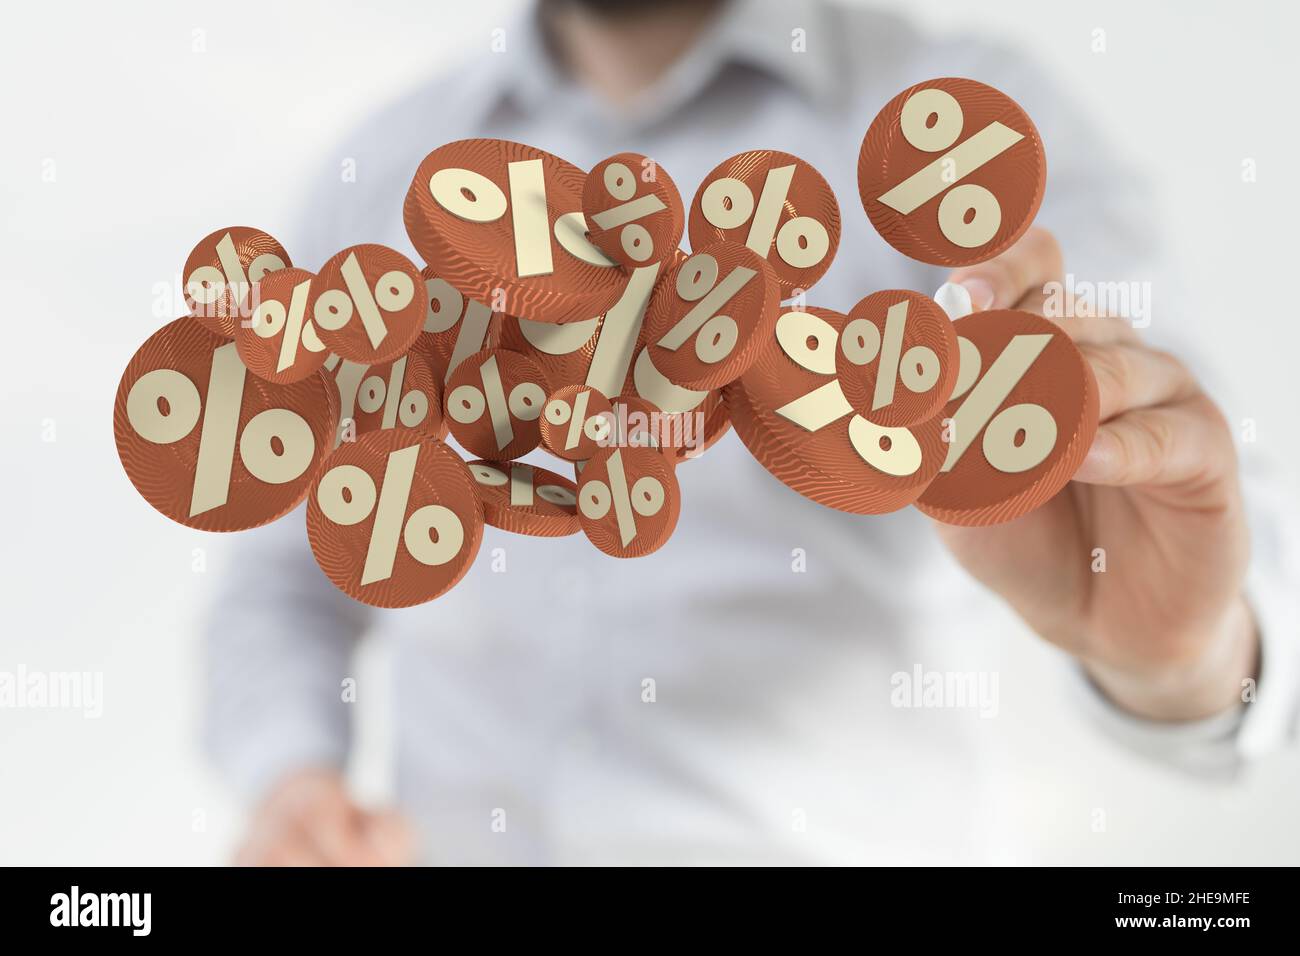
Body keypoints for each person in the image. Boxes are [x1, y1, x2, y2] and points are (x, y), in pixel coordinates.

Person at [206, 0, 1298, 865]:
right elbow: (284, 567)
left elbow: (1182, 484)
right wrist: (293, 776)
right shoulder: (391, 164)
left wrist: (1185, 659)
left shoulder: (955, 127)